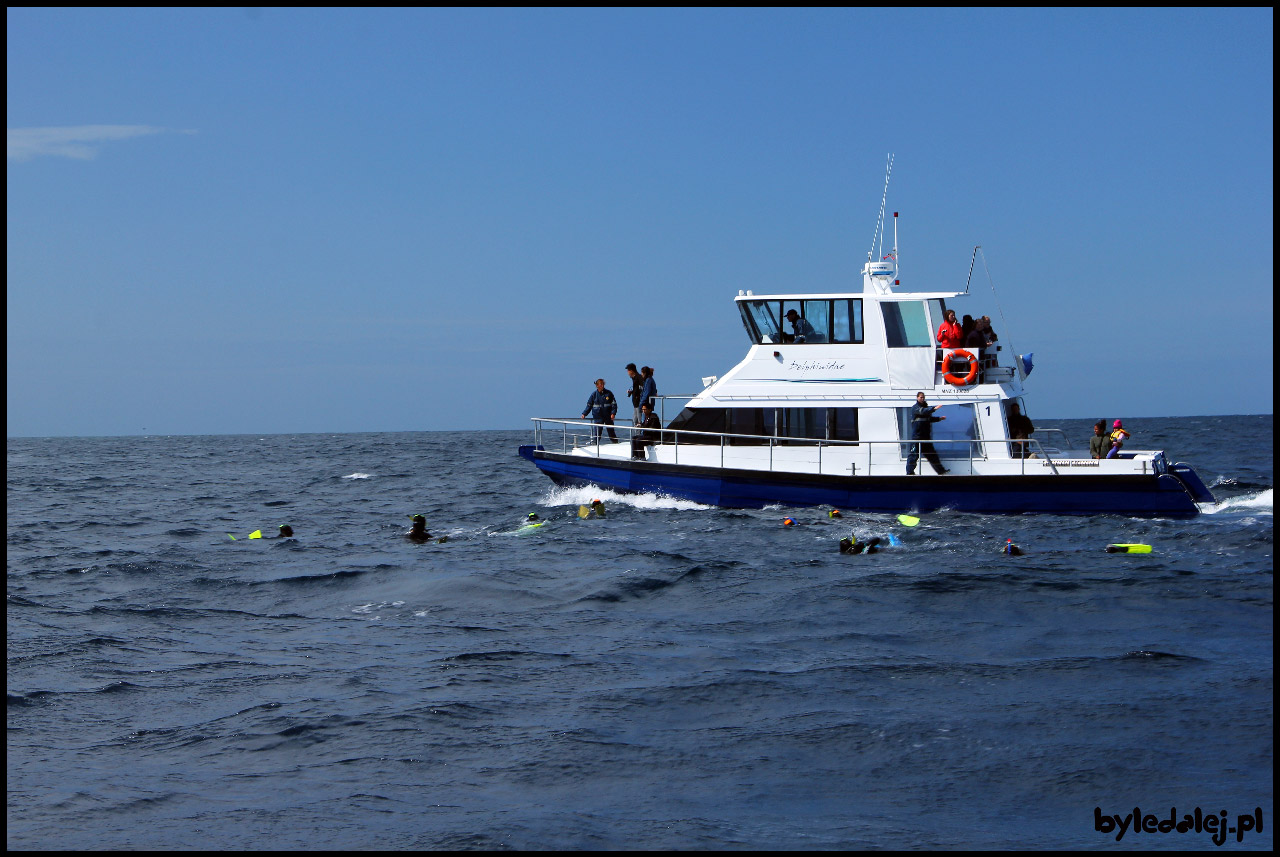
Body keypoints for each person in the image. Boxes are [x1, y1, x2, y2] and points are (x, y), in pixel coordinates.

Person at [906, 392, 948, 475]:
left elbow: (929, 419)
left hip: (925, 437)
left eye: (923, 397)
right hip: (917, 437)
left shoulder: (924, 408)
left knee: (932, 455)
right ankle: (909, 473)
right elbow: (923, 412)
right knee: (913, 455)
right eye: (921, 397)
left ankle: (941, 471)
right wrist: (934, 409)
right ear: (917, 398)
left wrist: (939, 419)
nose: (922, 399)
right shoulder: (915, 408)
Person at [581, 378, 619, 443]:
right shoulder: (594, 395)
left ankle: (615, 443)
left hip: (607, 416)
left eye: (603, 384)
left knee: (611, 432)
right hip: (598, 417)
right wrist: (584, 414)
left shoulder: (609, 393)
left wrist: (613, 413)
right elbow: (589, 405)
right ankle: (596, 445)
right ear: (597, 385)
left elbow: (614, 404)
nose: (602, 386)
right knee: (597, 433)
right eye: (600, 384)